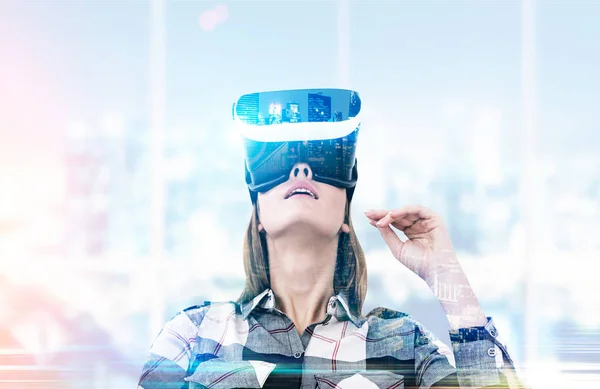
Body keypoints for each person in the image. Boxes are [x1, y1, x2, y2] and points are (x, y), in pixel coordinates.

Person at [138, 88, 526, 389]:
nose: (301, 169)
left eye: (321, 162)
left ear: (345, 215)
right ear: (257, 215)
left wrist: (447, 278)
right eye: (281, 162)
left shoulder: (404, 344)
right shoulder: (192, 335)